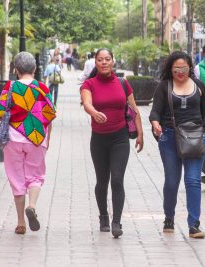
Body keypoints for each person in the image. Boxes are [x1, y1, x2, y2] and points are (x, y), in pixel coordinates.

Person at [150, 51, 205, 239]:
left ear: (190, 68)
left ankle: (194, 225)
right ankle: (169, 218)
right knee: (172, 181)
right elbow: (155, 112)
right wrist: (155, 123)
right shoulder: (164, 87)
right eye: (176, 68)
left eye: (184, 68)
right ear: (170, 69)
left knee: (193, 180)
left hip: (196, 137)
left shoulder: (199, 86)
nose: (180, 72)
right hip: (170, 138)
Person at [80, 48, 144, 238]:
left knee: (117, 179)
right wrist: (94, 113)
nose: (104, 62)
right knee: (102, 181)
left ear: (113, 61)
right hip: (98, 139)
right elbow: (87, 103)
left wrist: (140, 133)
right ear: (95, 63)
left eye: (107, 59)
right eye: (100, 60)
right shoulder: (89, 84)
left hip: (120, 138)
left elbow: (134, 109)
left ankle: (116, 221)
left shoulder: (123, 83)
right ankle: (103, 216)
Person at [0, 52, 56, 235]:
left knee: (17, 178)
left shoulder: (10, 87)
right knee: (35, 176)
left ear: (16, 70)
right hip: (37, 138)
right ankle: (32, 205)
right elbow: (49, 115)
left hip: (13, 138)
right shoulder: (42, 88)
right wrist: (48, 138)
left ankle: (21, 222)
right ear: (35, 69)